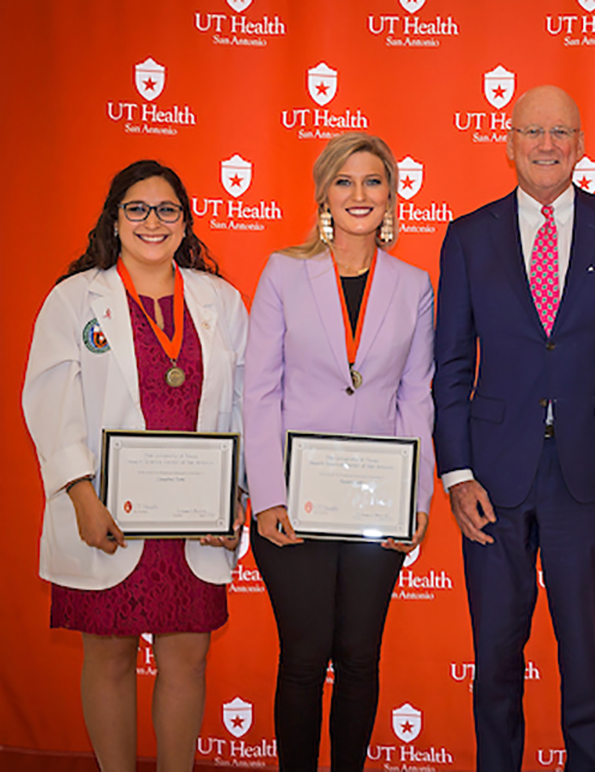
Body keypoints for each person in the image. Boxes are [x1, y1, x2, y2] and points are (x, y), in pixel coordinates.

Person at [433, 85, 595, 772]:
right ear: (509, 143)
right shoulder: (467, 235)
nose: (547, 144)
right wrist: (458, 473)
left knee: (585, 658)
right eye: (532, 131)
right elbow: (451, 364)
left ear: (581, 145)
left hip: (591, 476)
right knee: (495, 658)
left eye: (561, 131)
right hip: (491, 478)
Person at [22, 160, 247, 772]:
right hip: (107, 513)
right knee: (110, 658)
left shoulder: (220, 301)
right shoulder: (75, 299)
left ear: (185, 223)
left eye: (167, 209)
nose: (153, 221)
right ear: (114, 220)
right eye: (137, 209)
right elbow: (50, 403)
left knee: (188, 660)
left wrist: (236, 498)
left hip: (194, 519)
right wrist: (81, 496)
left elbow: (244, 406)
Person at [244, 132, 434, 772]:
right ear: (324, 193)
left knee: (358, 657)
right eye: (345, 181)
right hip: (291, 504)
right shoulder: (283, 272)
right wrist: (267, 496)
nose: (359, 194)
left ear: (391, 195)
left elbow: (417, 398)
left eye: (373, 181)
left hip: (375, 505)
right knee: (302, 658)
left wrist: (416, 500)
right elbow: (259, 392)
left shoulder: (413, 285)